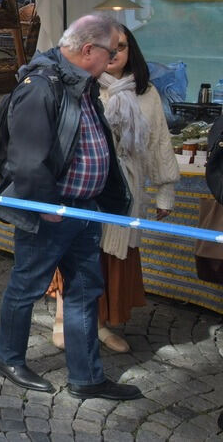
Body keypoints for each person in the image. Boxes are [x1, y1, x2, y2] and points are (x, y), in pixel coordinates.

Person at [0, 14, 138, 401]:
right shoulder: (42, 86)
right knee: (27, 286)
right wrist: (47, 206)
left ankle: (86, 377)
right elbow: (26, 158)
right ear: (88, 50)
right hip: (54, 211)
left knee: (85, 290)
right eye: (112, 50)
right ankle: (7, 358)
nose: (114, 58)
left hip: (82, 208)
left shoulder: (82, 85)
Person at [49, 24, 179, 353]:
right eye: (110, 45)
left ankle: (99, 324)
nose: (116, 51)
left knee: (109, 259)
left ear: (130, 51)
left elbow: (158, 143)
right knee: (77, 253)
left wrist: (165, 191)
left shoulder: (146, 93)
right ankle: (63, 318)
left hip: (126, 189)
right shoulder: (80, 84)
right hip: (85, 187)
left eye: (122, 45)